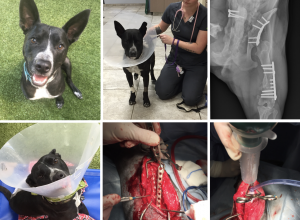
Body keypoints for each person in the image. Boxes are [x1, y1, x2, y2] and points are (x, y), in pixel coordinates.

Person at [154, 0, 207, 110]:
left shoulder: (205, 15)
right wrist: (142, 32)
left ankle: (190, 81)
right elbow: (160, 27)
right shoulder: (172, 8)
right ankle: (184, 79)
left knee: (191, 100)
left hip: (196, 62)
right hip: (176, 58)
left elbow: (198, 48)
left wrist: (173, 41)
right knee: (162, 92)